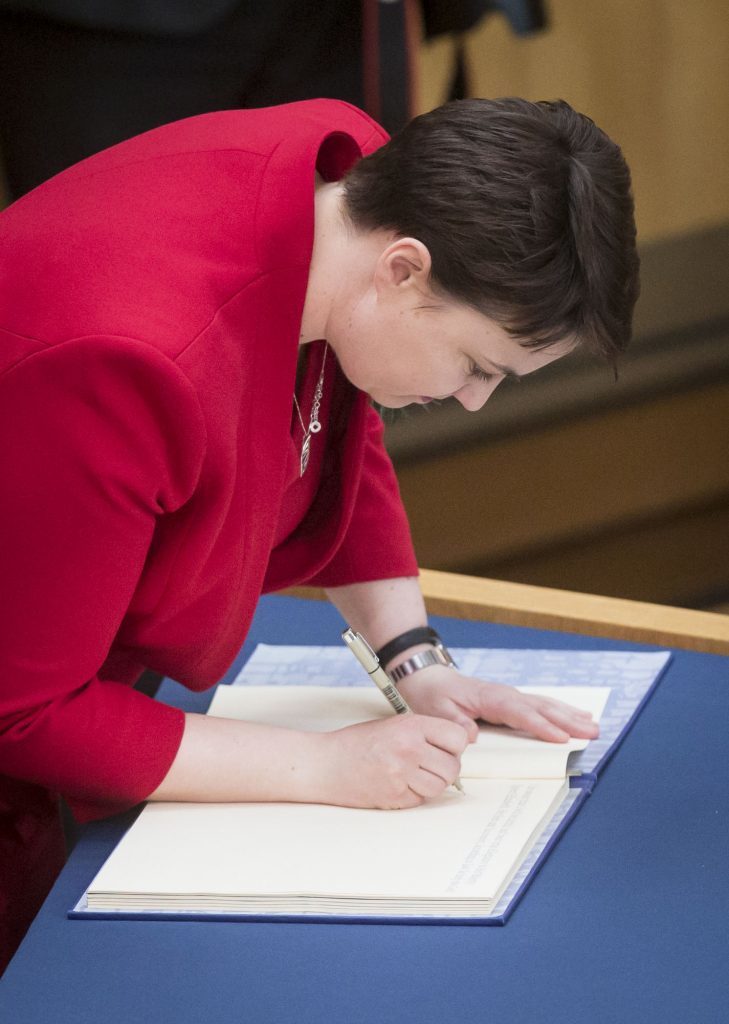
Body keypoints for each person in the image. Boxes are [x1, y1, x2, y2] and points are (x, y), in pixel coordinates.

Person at [0, 95, 639, 971]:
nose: (472, 400)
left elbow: (329, 419)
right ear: (404, 270)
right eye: (477, 365)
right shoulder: (131, 362)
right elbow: (27, 712)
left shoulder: (350, 195)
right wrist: (324, 769)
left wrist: (413, 658)